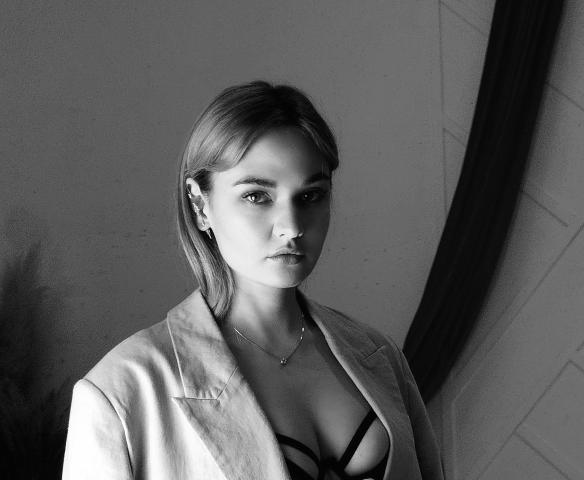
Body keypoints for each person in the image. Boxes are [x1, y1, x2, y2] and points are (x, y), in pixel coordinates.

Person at [62, 81, 444, 480]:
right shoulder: (123, 390)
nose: (291, 226)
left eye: (311, 196)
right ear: (200, 205)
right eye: (257, 196)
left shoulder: (379, 356)